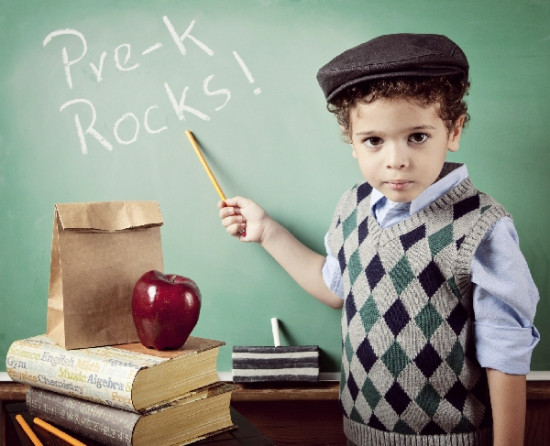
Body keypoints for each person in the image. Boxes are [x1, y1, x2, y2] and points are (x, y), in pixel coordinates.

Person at [218, 34, 539, 446]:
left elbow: (506, 353)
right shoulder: (353, 206)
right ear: (351, 142)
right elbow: (336, 287)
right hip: (358, 433)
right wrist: (267, 232)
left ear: (453, 130)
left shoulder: (481, 226)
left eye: (417, 137)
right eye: (374, 141)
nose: (395, 159)